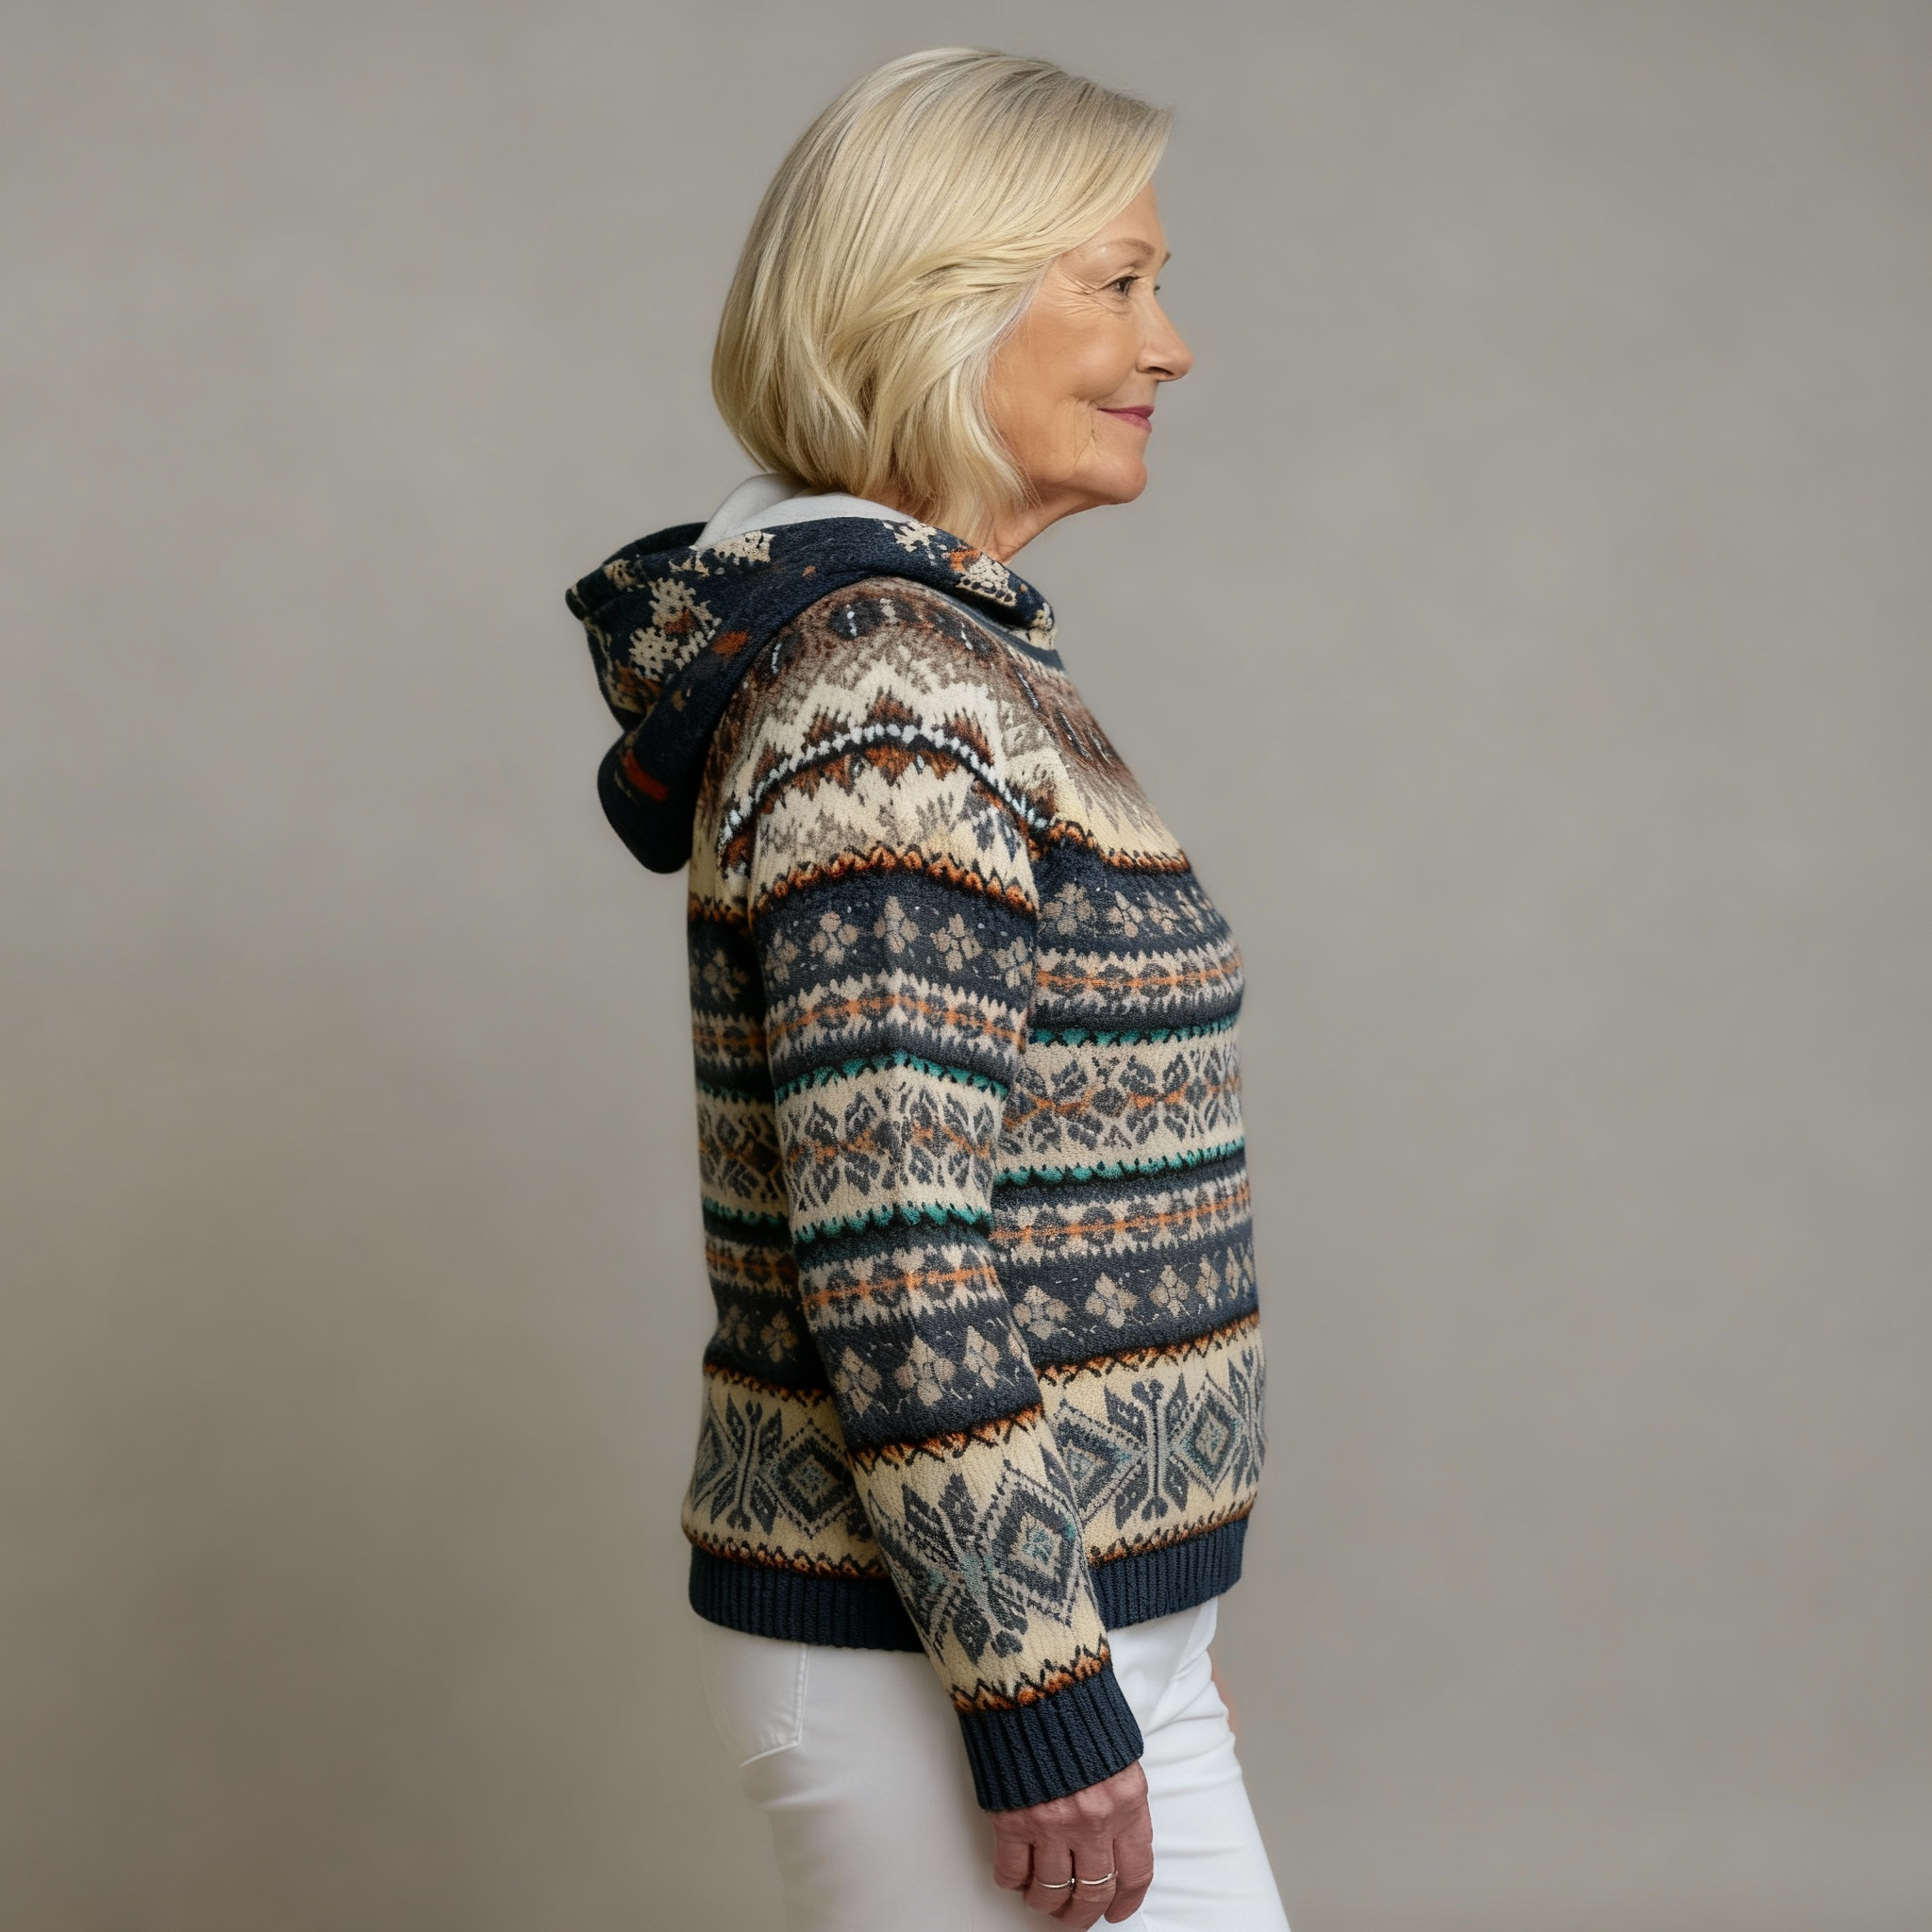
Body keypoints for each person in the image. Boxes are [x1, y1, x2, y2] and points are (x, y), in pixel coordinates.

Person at [567, 48, 1289, 1932]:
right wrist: (1037, 1684)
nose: (1171, 343)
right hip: (942, 1650)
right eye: (1118, 282)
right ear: (934, 304)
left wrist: (1137, 1636)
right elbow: (892, 1245)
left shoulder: (956, 658)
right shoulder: (885, 698)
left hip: (1053, 1624)